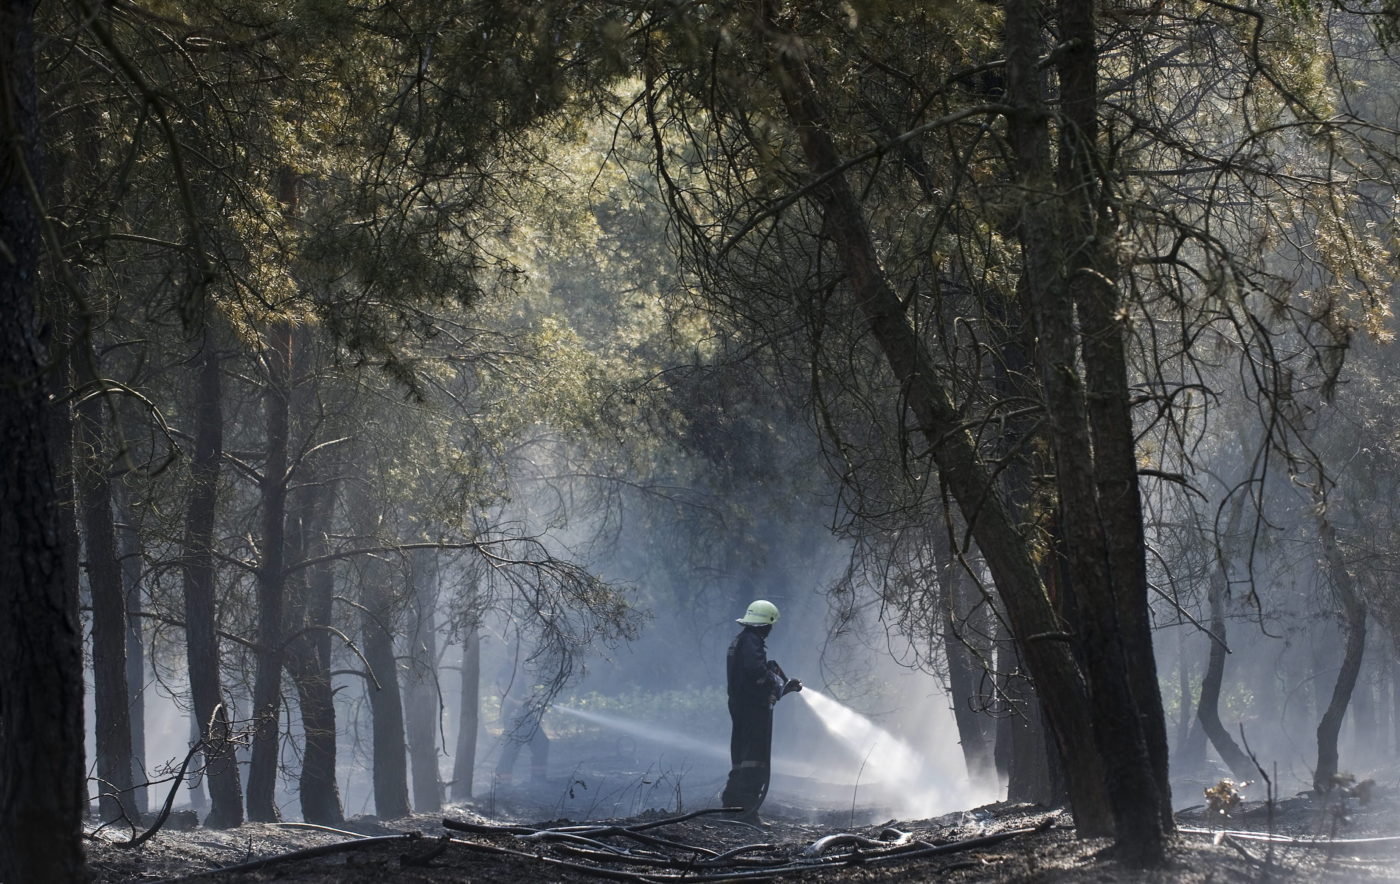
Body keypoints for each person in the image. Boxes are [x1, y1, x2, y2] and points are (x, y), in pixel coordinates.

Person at [720, 599, 801, 824]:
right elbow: (755, 672)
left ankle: (733, 806)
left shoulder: (741, 640)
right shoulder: (751, 641)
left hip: (742, 705)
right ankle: (745, 811)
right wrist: (773, 685)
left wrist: (778, 686)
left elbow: (750, 674)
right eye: (771, 625)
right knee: (754, 759)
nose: (770, 630)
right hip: (752, 708)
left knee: (742, 756)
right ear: (766, 624)